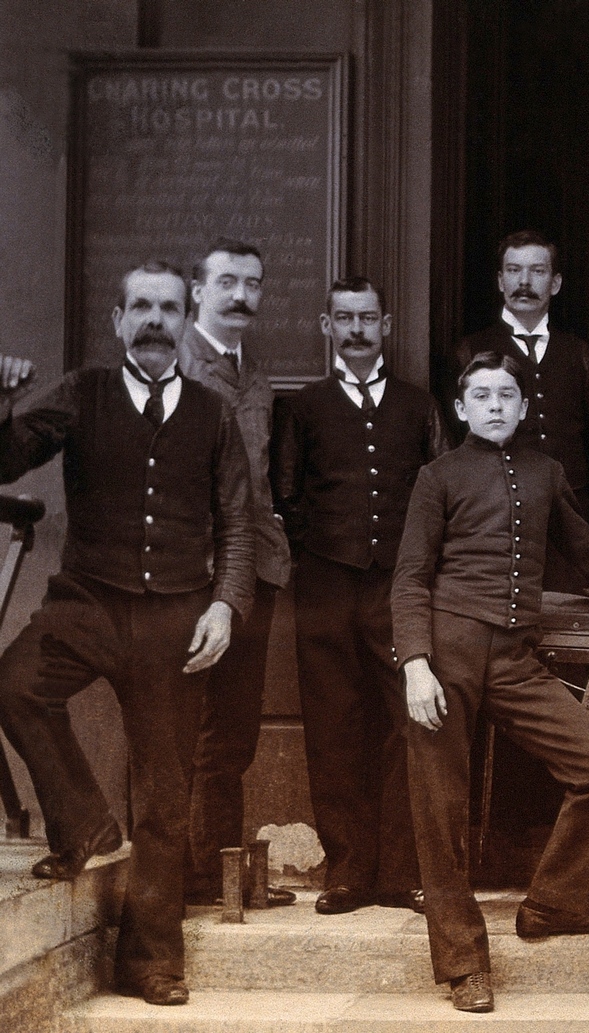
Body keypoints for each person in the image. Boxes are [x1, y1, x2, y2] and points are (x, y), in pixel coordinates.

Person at [0, 260, 254, 1005]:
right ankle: (83, 825)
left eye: (168, 308)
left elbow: (238, 520)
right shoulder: (82, 393)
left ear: (185, 321)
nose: (153, 319)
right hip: (88, 602)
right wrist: (4, 403)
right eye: (139, 306)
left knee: (165, 793)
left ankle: (150, 961)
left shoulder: (213, 411)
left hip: (177, 616)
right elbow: (5, 457)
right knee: (12, 684)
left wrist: (225, 605)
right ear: (117, 321)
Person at [393, 352, 589, 1013]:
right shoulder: (437, 475)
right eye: (480, 394)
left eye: (506, 395)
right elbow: (410, 577)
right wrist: (415, 663)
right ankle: (463, 965)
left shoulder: (544, 473)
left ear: (522, 406)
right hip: (446, 656)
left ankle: (554, 902)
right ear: (460, 408)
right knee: (442, 811)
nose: (494, 404)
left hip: (513, 657)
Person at [271, 277, 447, 917]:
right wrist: (322, 552)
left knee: (408, 723)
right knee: (333, 724)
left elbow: (439, 488)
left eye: (367, 318)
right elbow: (285, 495)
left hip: (397, 589)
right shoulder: (303, 407)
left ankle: (401, 872)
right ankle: (346, 871)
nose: (355, 330)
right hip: (324, 587)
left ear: (386, 325)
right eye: (343, 318)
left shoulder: (417, 404)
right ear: (327, 328)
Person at [177, 237, 295, 907]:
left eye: (252, 282)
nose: (240, 294)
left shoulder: (255, 372)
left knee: (235, 726)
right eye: (226, 281)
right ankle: (194, 874)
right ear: (198, 290)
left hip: (255, 567)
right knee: (197, 724)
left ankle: (217, 872)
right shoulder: (181, 367)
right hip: (197, 569)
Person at [452, 230, 589, 591]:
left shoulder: (579, 353)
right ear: (501, 281)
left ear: (556, 282)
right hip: (497, 511)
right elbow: (460, 444)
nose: (524, 282)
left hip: (572, 511)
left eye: (537, 271)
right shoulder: (471, 350)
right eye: (514, 271)